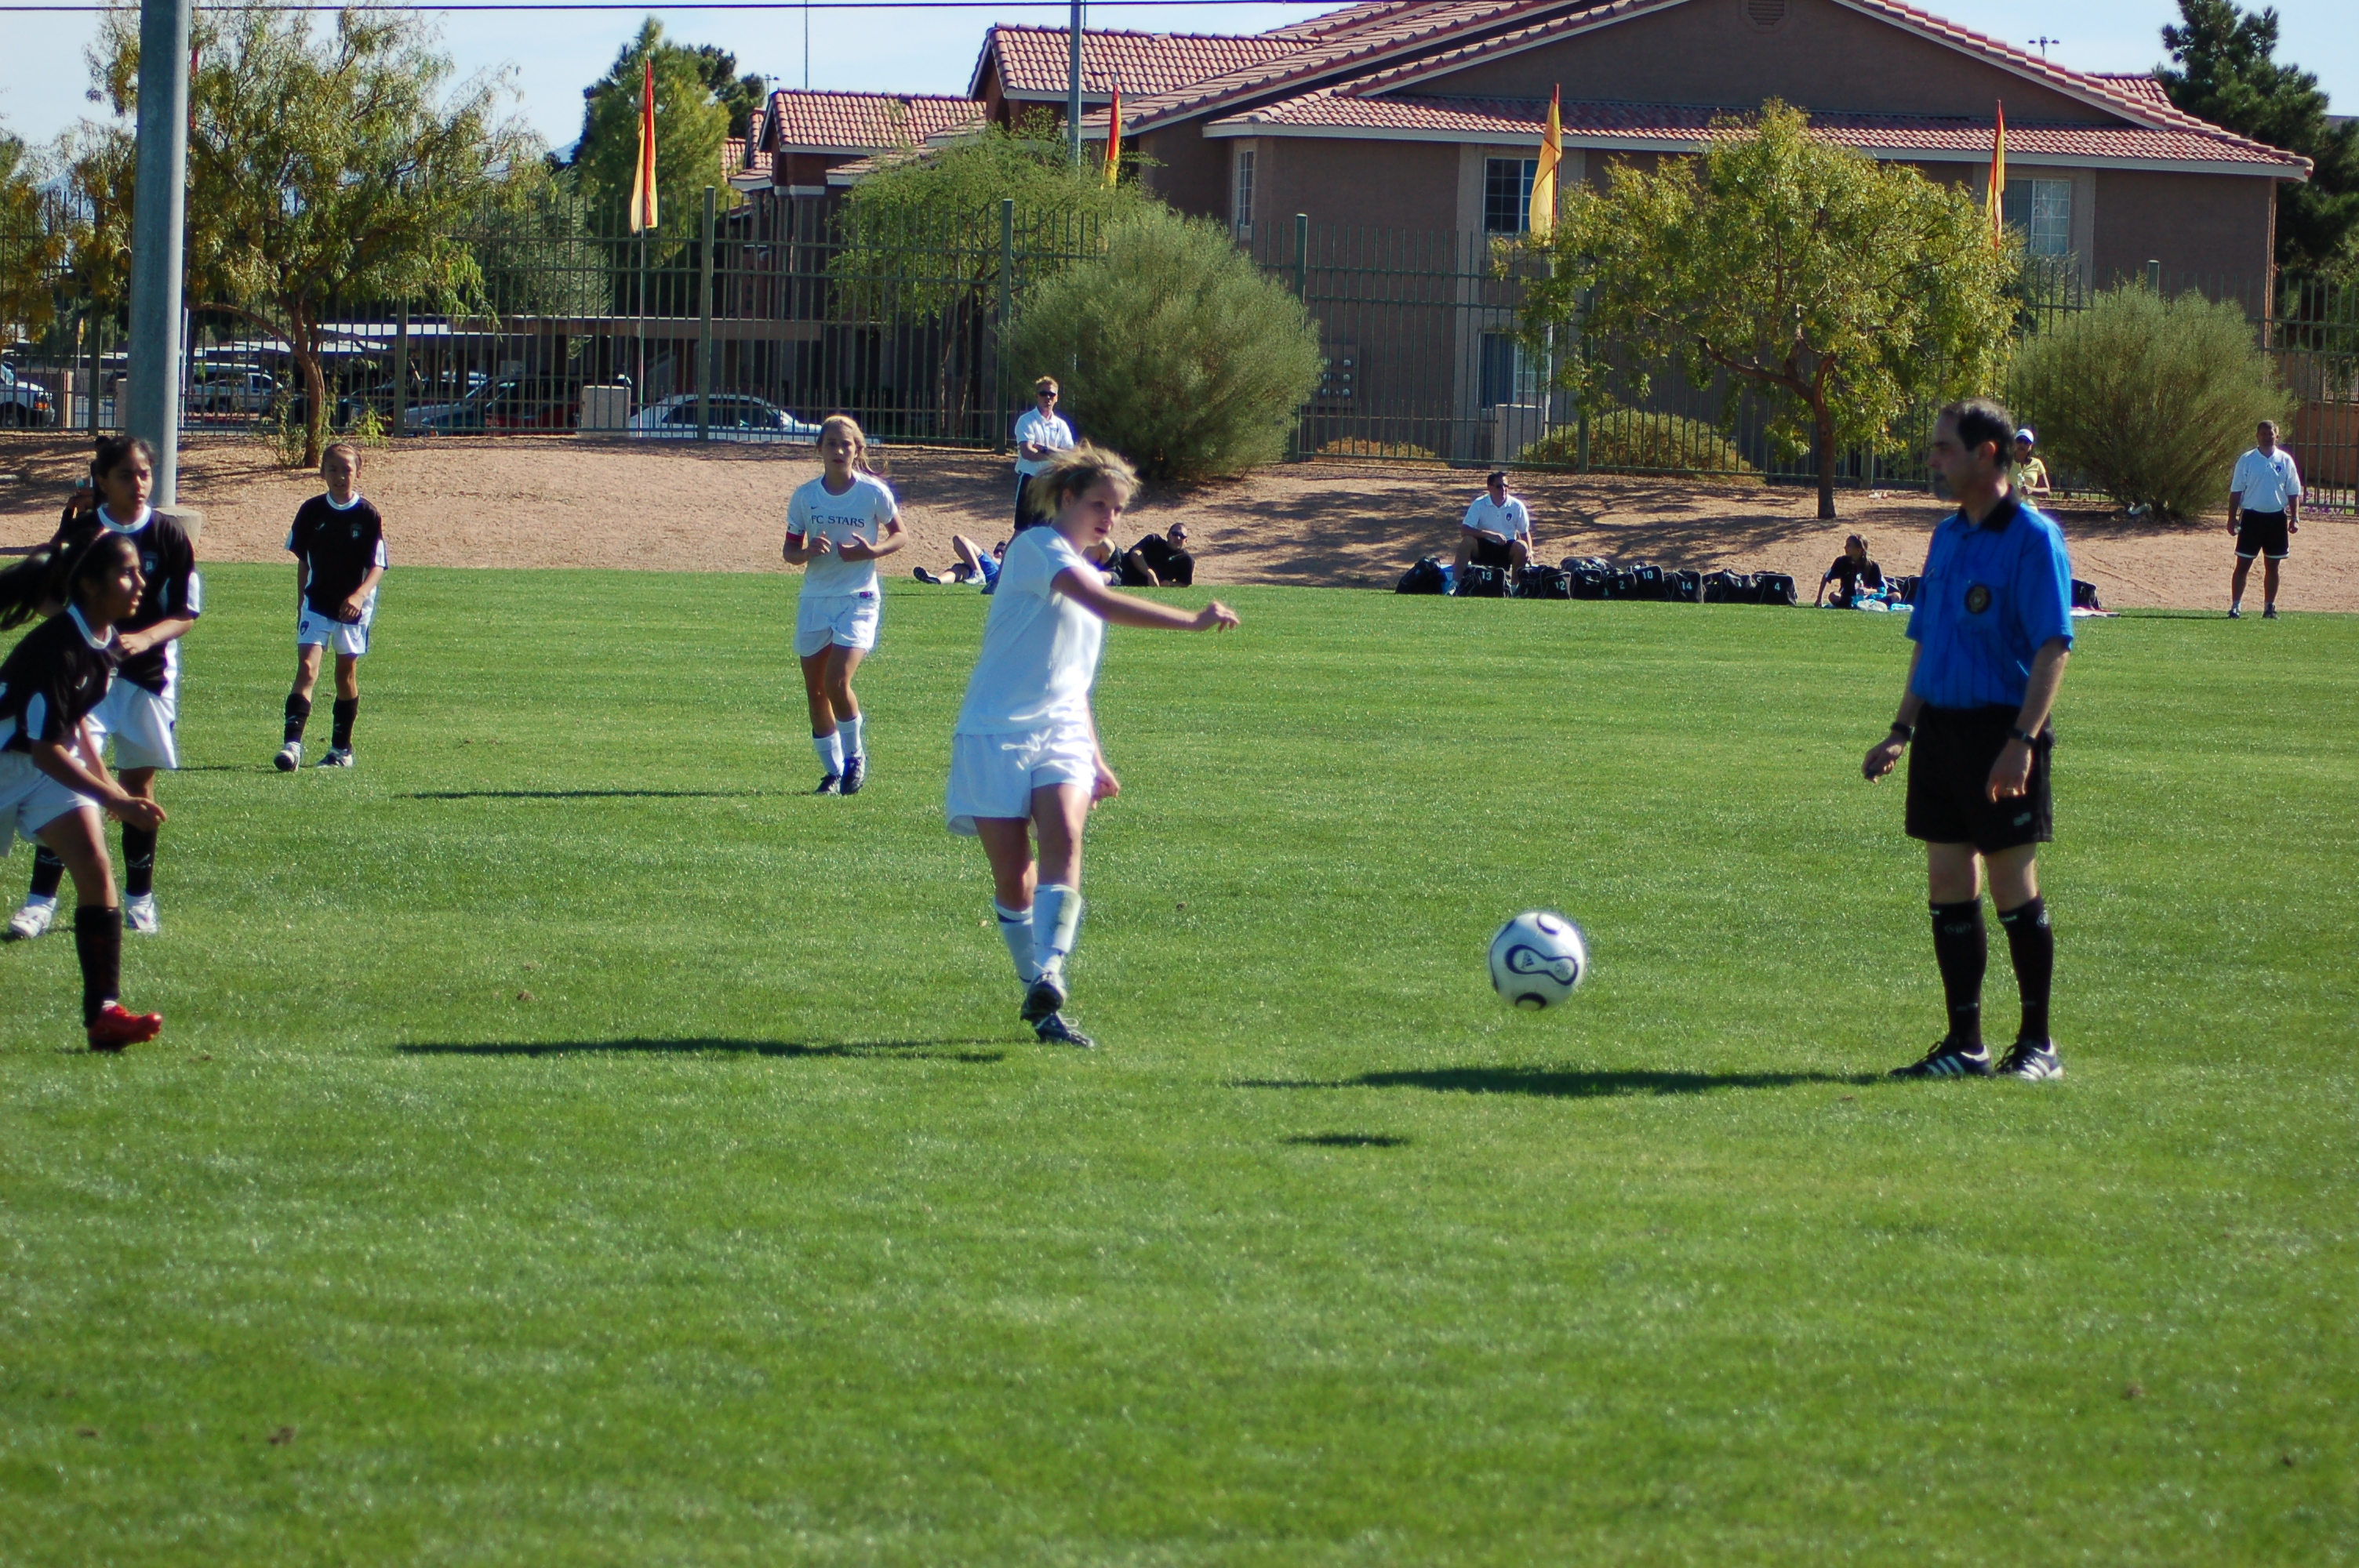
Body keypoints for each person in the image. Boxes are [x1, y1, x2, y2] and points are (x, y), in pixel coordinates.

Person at [947, 444, 1238, 1049]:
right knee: (1014, 879)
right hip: (995, 730)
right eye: (1100, 504)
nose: (1110, 517)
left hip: (1061, 731)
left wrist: (1096, 755)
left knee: (1066, 835)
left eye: (1118, 509)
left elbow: (1072, 678)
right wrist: (1189, 621)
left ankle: (1051, 971)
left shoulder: (1084, 567)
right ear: (1068, 498)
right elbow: (1100, 601)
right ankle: (1039, 1000)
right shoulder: (1036, 548)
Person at [1863, 397, 2074, 1083]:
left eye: (1944, 447)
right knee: (1949, 881)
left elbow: (2053, 646)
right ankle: (1965, 1044)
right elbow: (1927, 641)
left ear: (1987, 454)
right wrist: (1900, 730)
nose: (1932, 458)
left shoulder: (2033, 538)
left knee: (2012, 884)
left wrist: (2022, 741)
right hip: (1941, 732)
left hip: (2001, 731)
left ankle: (2038, 1046)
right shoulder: (1947, 536)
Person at [6, 437, 198, 942]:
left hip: (147, 677)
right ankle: (40, 902)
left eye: (144, 474)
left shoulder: (168, 535)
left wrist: (142, 639)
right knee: (66, 786)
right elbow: (45, 597)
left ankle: (139, 899)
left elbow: (186, 612)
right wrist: (85, 638)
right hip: (85, 676)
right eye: (126, 475)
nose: (138, 484)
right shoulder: (84, 533)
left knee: (136, 788)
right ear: (103, 480)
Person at [0, 529, 169, 1047]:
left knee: (96, 867)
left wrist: (105, 785)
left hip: (40, 766)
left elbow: (71, 724)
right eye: (127, 573)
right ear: (92, 585)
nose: (140, 582)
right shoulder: (60, 646)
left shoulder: (103, 643)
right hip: (10, 764)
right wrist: (112, 796)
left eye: (139, 571)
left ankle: (104, 1014)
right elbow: (46, 748)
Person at [783, 415, 903, 795]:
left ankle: (855, 757)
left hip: (858, 598)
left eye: (846, 444)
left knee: (837, 680)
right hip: (816, 598)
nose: (839, 450)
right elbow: (789, 551)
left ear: (858, 450)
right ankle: (833, 773)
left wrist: (873, 551)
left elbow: (900, 535)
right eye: (831, 443)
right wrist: (806, 553)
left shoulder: (873, 493)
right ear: (819, 449)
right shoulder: (805, 497)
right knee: (816, 691)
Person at [274, 443, 387, 771]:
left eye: (347, 470)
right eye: (333, 469)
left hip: (352, 609)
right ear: (322, 472)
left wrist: (359, 596)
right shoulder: (311, 511)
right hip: (317, 603)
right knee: (307, 668)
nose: (340, 476)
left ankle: (341, 750)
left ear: (358, 473)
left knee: (344, 674)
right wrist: (301, 604)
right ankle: (292, 746)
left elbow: (378, 565)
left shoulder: (367, 515)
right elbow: (304, 562)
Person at [2226, 419, 2302, 619]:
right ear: (2257, 436)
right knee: (2243, 564)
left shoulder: (2285, 460)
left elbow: (2293, 491)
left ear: (2277, 436)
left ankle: (2269, 607)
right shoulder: (2247, 460)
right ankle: (2236, 606)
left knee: (2273, 565)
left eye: (2271, 434)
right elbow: (2236, 490)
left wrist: (2295, 517)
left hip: (2276, 518)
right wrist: (2231, 518)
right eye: (2263, 434)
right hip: (2251, 517)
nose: (2267, 437)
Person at [1011, 377, 1074, 532]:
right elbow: (1027, 453)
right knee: (1021, 531)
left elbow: (1071, 455)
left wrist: (1045, 449)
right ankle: (1008, 550)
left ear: (1057, 398)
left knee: (1048, 532)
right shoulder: (1026, 421)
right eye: (1043, 394)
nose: (1048, 398)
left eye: (1051, 395)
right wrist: (1057, 455)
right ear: (1036, 396)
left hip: (1052, 482)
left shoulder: (1061, 425)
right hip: (1030, 481)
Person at [1454, 471, 1533, 578]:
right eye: (1499, 486)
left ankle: (1515, 586)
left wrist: (1530, 551)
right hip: (1483, 547)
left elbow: (1524, 532)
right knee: (1467, 541)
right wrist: (1489, 535)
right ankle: (1456, 583)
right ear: (1489, 488)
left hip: (1506, 548)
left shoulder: (1517, 506)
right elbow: (1464, 530)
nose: (1503, 489)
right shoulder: (1479, 504)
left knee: (1522, 546)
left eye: (1506, 486)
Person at [1816, 534, 1885, 608]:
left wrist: (1868, 591)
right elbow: (1826, 576)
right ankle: (1852, 605)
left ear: (1859, 550)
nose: (1845, 547)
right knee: (1833, 596)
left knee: (1891, 598)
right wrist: (1819, 598)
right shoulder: (1841, 561)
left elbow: (1881, 590)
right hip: (1846, 598)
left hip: (1866, 599)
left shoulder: (1873, 566)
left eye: (1849, 545)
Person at [913, 534, 1004, 590]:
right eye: (997, 551)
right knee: (957, 571)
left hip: (992, 571)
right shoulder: (991, 558)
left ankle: (979, 574)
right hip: (973, 570)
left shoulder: (1002, 563)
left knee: (959, 538)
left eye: (1002, 551)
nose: (999, 553)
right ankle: (937, 580)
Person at [1120, 522, 1194, 587]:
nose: (1178, 537)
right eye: (1175, 534)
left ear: (1186, 541)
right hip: (1122, 571)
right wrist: (1150, 573)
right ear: (1168, 535)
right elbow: (1135, 554)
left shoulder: (1186, 560)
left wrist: (1170, 584)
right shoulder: (1154, 540)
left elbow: (1185, 584)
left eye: (1182, 536)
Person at [2012, 428, 2051, 498]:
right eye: (2019, 441)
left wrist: (2031, 490)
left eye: (2026, 442)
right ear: (2014, 443)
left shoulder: (2037, 463)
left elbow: (2047, 491)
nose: (2022, 444)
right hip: (2009, 504)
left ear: (2031, 446)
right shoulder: (2006, 461)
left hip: (2029, 504)